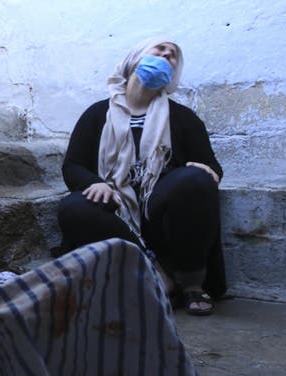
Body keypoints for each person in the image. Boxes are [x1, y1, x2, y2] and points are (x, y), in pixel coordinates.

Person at [55, 36, 226, 315]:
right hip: (116, 214)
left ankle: (191, 283)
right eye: (160, 49)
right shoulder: (97, 114)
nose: (167, 55)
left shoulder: (182, 117)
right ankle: (154, 270)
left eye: (173, 56)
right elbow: (73, 165)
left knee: (195, 180)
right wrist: (95, 183)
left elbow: (210, 167)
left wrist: (207, 173)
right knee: (73, 207)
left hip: (160, 212)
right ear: (135, 58)